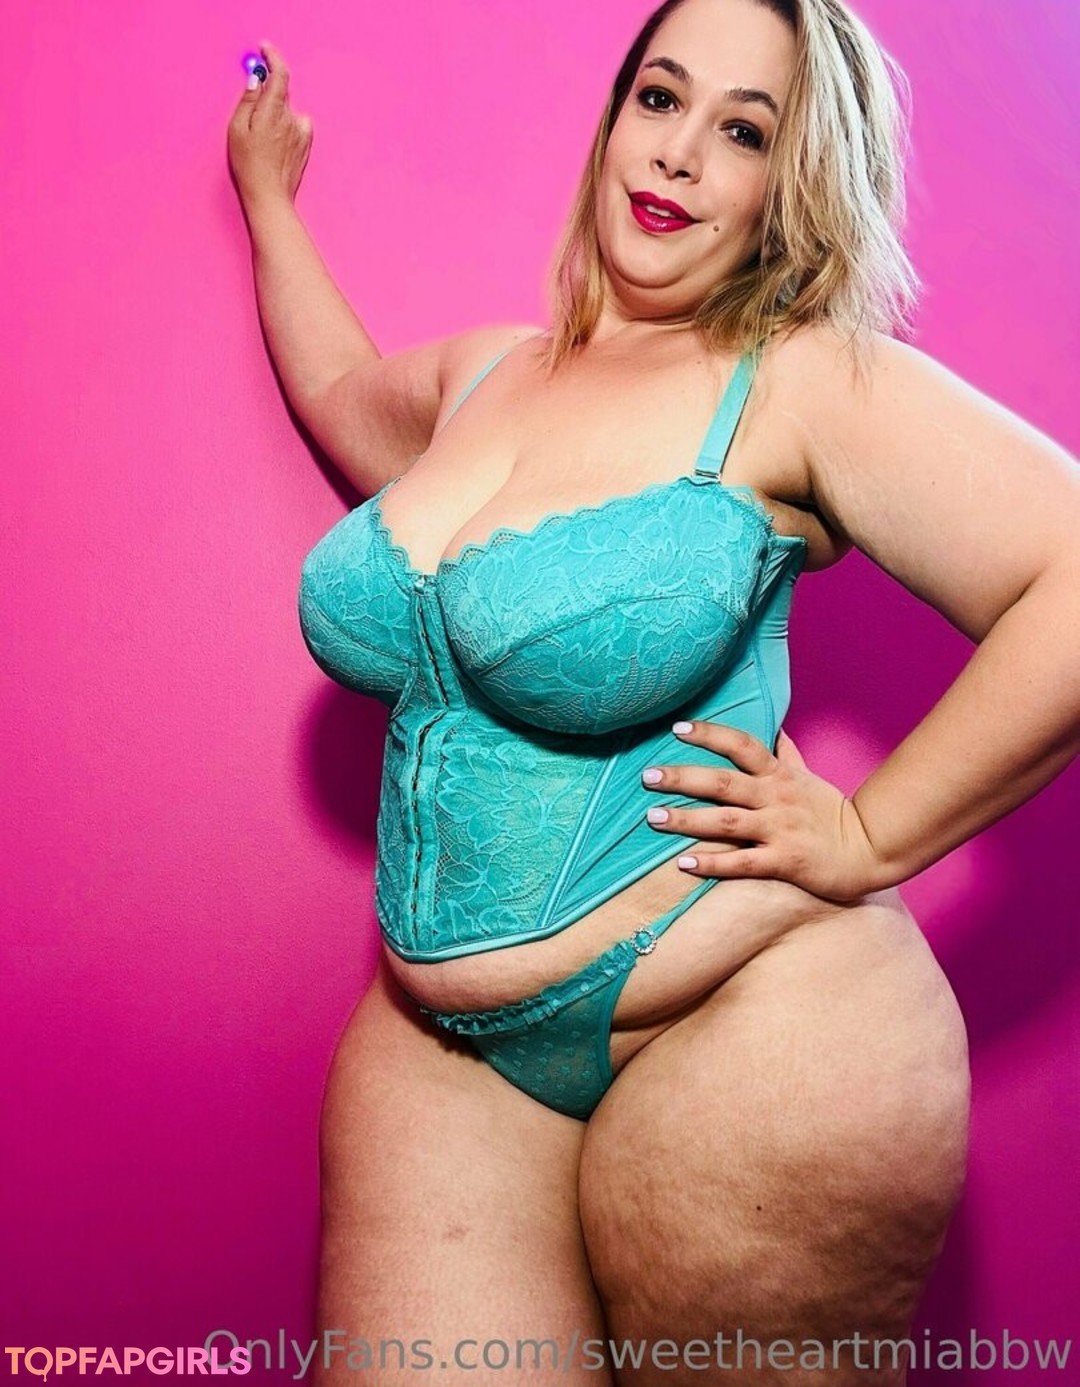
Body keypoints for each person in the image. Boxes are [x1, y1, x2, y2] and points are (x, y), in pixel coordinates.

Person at [226, 1, 1078, 1381]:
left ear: (792, 183)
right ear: (617, 115)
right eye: (661, 98)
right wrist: (268, 202)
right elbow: (334, 385)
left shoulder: (799, 382)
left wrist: (870, 835)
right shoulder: (484, 374)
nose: (679, 154)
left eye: (744, 131)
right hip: (447, 1053)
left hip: (744, 1016)